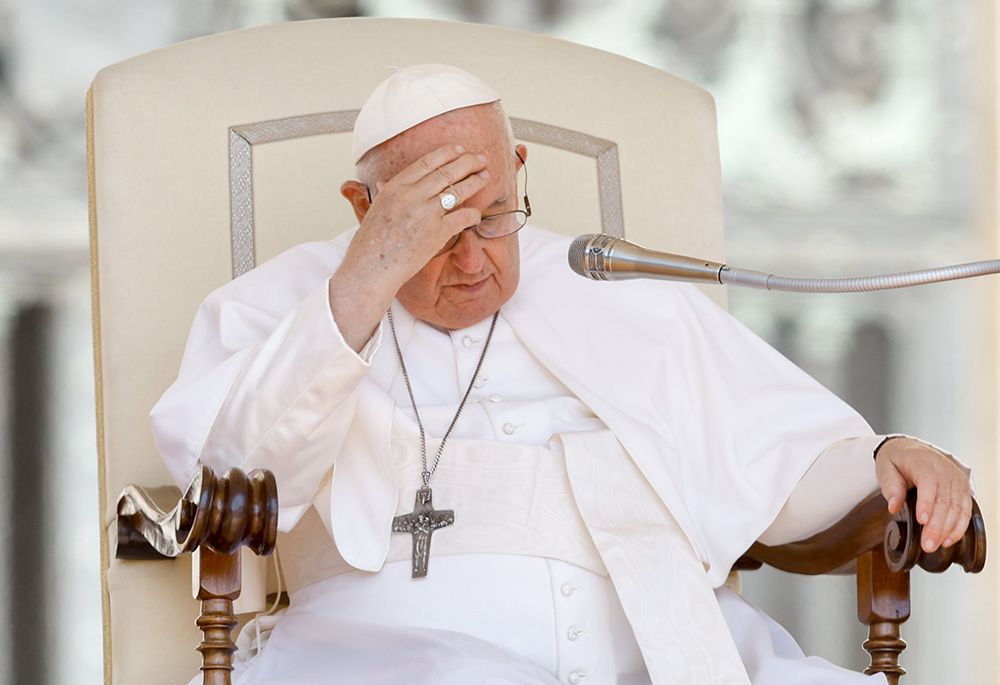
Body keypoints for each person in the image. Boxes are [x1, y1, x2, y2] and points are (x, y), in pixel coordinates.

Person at [151, 64, 973, 685]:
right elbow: (230, 470)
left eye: (496, 216)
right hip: (391, 653)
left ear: (518, 166)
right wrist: (364, 285)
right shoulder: (283, 303)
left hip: (666, 647)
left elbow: (776, 454)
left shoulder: (609, 285)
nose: (474, 259)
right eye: (434, 232)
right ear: (363, 209)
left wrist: (885, 458)